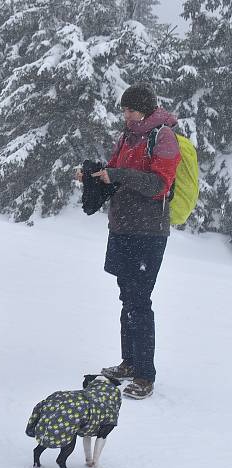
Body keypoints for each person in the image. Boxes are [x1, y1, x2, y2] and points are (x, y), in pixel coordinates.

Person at [77, 84, 181, 400]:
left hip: (148, 233)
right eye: (123, 109)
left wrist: (118, 175)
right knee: (127, 298)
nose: (126, 114)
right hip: (121, 228)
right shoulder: (127, 136)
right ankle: (128, 362)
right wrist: (96, 176)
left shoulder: (163, 137)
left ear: (146, 110)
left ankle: (145, 375)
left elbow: (159, 185)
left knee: (139, 301)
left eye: (131, 109)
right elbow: (115, 174)